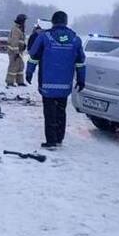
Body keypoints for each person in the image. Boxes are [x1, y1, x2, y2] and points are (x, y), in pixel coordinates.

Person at [25, 11, 86, 149]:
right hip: (65, 85)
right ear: (65, 22)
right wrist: (81, 79)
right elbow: (81, 62)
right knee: (61, 110)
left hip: (47, 84)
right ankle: (59, 138)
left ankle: (51, 140)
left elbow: (33, 56)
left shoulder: (44, 37)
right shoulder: (75, 39)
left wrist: (29, 72)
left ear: (53, 22)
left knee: (49, 111)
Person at [6, 14, 27, 87]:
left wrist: (23, 45)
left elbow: (21, 40)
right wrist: (16, 52)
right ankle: (10, 82)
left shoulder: (20, 29)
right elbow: (14, 42)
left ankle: (20, 81)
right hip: (14, 51)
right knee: (13, 66)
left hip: (19, 51)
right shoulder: (16, 29)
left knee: (20, 66)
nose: (25, 22)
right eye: (24, 20)